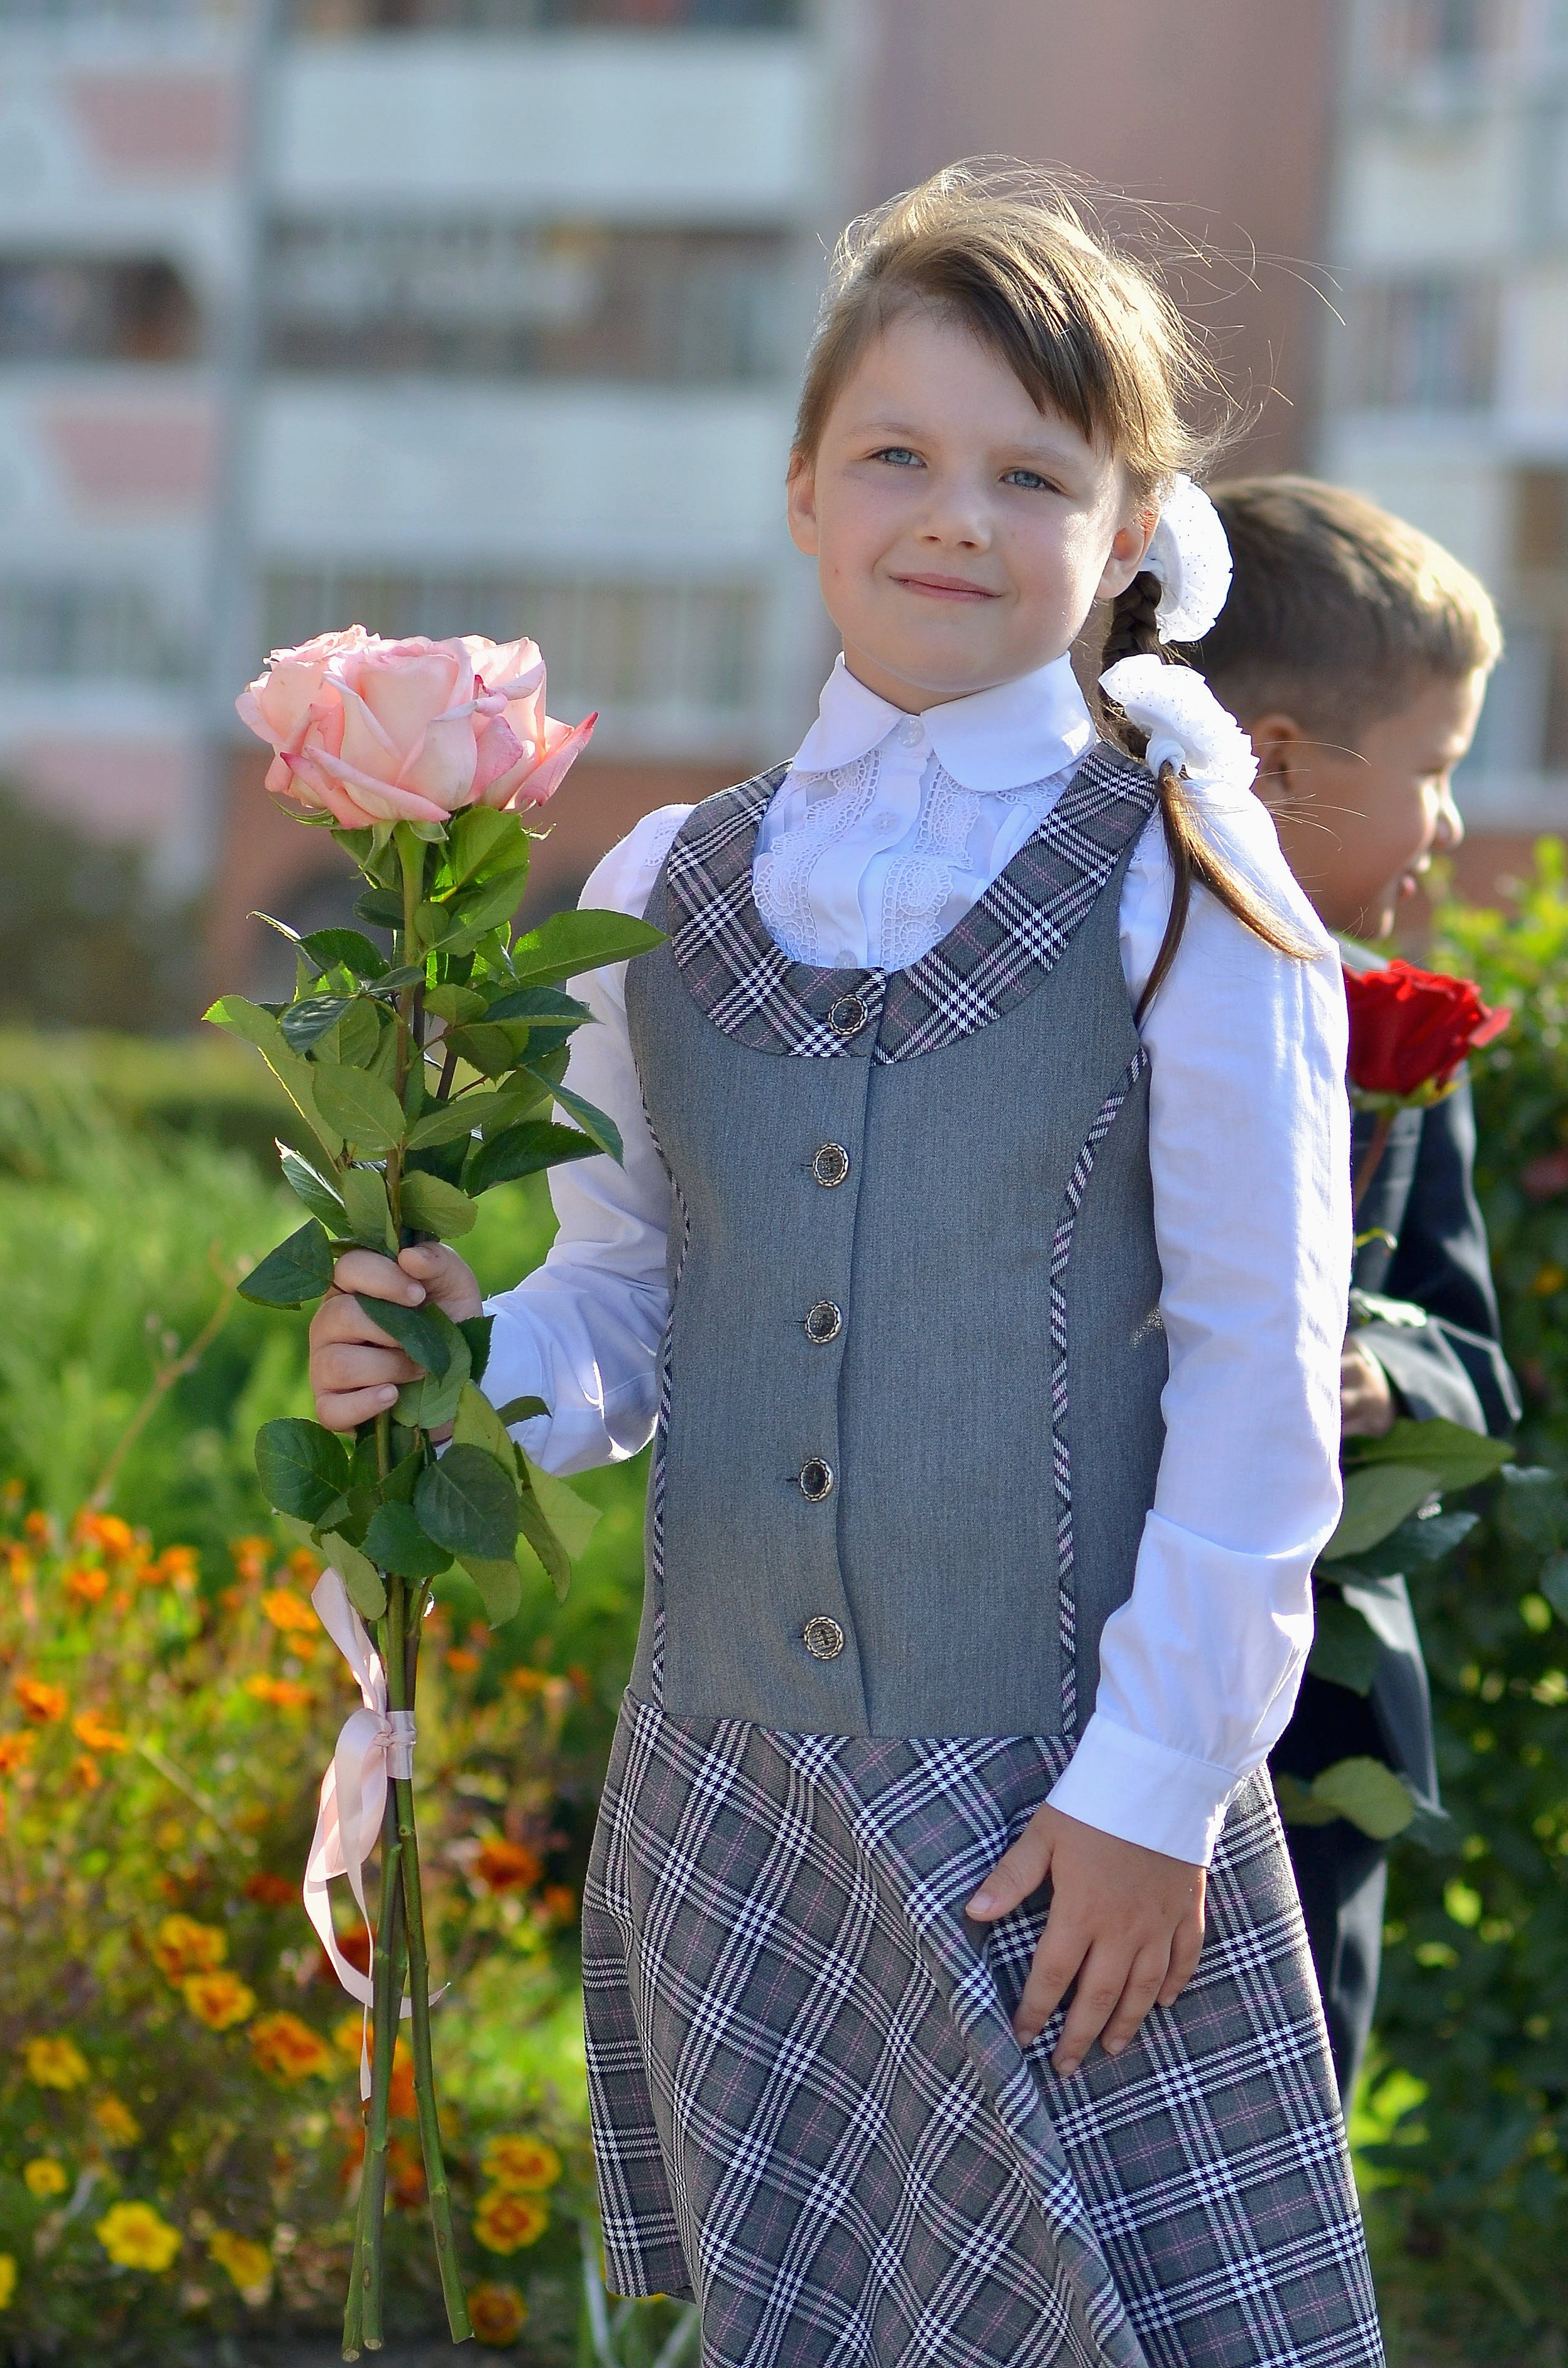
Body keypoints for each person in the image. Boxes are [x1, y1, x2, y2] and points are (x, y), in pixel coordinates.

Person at [310, 169, 1383, 2366]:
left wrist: (1157, 1793)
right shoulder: (664, 882)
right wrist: (456, 1365)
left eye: (1032, 475)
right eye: (897, 455)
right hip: (737, 1801)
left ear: (1129, 525)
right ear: (805, 489)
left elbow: (1268, 1379)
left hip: (1061, 1815)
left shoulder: (1178, 876)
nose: (954, 518)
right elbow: (628, 1315)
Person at [1181, 474, 1520, 2107]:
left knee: (1285, 2145)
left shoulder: (1404, 1045)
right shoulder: (1106, 1007)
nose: (1452, 826)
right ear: (1282, 763)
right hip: (1086, 1701)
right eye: (1439, 772)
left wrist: (1387, 1371)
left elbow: (1475, 1356)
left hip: (1321, 1754)